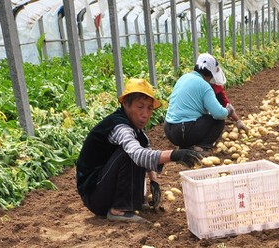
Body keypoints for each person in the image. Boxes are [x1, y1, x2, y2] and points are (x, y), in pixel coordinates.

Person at [76, 78, 201, 224]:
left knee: (136, 151)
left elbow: (146, 149)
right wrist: (174, 154)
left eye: (149, 108)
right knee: (129, 153)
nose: (145, 114)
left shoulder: (135, 128)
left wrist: (154, 182)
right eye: (140, 107)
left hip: (103, 188)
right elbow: (138, 155)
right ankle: (118, 209)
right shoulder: (119, 127)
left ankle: (129, 203)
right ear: (125, 104)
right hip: (94, 195)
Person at [164, 53, 237, 151]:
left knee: (203, 117)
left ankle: (186, 146)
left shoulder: (184, 77)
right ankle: (202, 147)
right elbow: (219, 114)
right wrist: (229, 110)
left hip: (169, 129)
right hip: (183, 131)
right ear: (210, 74)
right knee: (218, 121)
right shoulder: (204, 86)